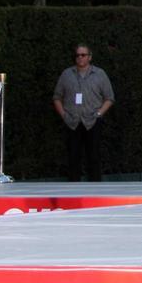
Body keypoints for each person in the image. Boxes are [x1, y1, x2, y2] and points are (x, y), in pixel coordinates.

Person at [52, 44, 114, 182]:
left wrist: (99, 114)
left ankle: (95, 189)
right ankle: (74, 190)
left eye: (83, 55)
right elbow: (57, 97)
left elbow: (109, 98)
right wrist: (64, 115)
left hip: (92, 121)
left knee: (94, 156)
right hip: (72, 121)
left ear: (89, 57)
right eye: (77, 55)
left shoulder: (99, 74)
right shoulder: (67, 74)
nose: (80, 58)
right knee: (73, 157)